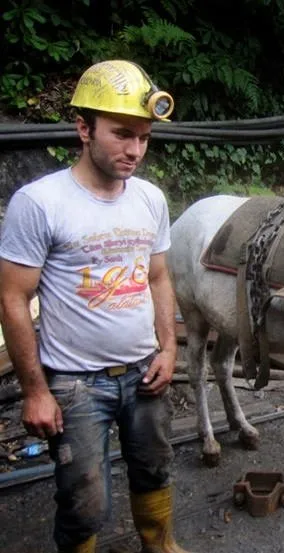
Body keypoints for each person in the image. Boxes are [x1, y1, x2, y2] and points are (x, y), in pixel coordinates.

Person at [0, 60, 192, 553]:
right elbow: (13, 297)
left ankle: (159, 544)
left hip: (145, 372)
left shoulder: (149, 199)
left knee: (155, 467)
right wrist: (35, 392)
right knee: (84, 502)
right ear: (83, 128)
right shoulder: (40, 203)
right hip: (75, 383)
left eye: (144, 137)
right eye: (122, 134)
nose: (134, 150)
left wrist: (168, 350)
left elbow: (158, 277)